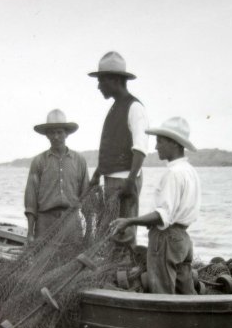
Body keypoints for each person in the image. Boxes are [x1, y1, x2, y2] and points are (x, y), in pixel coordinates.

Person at [110, 117, 200, 294]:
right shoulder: (191, 171)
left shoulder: (173, 174)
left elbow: (162, 216)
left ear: (173, 143)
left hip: (166, 238)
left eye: (159, 141)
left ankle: (165, 322)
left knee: (162, 293)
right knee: (186, 293)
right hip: (183, 240)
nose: (156, 146)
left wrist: (129, 221)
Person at [88, 51, 149, 244]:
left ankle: (122, 270)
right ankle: (114, 269)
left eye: (101, 81)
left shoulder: (134, 107)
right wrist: (98, 174)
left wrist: (131, 181)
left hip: (125, 182)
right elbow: (112, 147)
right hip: (111, 179)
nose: (98, 87)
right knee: (110, 234)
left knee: (124, 235)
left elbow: (140, 148)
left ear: (114, 79)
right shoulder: (115, 106)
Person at [24, 109, 90, 245]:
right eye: (52, 132)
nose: (56, 136)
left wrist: (89, 233)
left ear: (66, 134)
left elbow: (87, 197)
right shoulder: (39, 161)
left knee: (71, 261)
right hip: (45, 223)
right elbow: (31, 201)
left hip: (71, 222)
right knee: (44, 264)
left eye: (59, 132)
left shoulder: (79, 161)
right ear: (47, 135)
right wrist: (30, 233)